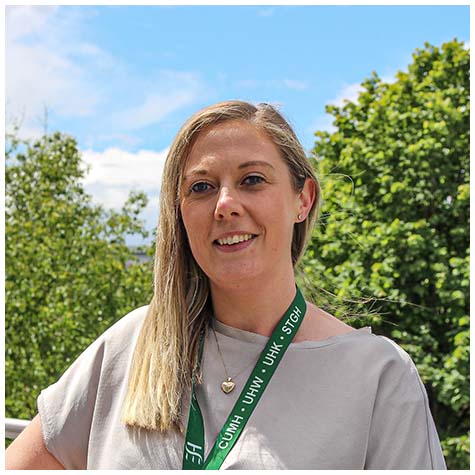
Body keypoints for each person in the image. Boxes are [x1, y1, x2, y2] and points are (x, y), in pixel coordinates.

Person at [6, 100, 446, 470]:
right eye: (201, 187)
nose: (225, 204)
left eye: (252, 180)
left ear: (303, 199)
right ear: (180, 213)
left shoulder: (379, 377)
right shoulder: (132, 346)